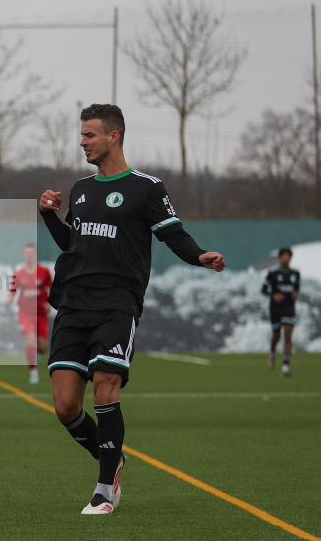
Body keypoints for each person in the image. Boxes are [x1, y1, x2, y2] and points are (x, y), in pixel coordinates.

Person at [39, 104, 226, 515]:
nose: (82, 142)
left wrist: (199, 257)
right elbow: (73, 243)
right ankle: (112, 458)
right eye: (81, 135)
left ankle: (106, 488)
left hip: (117, 303)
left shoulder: (147, 187)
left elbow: (172, 233)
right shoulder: (82, 190)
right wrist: (48, 217)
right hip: (73, 303)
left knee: (106, 383)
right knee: (66, 406)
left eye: (89, 135)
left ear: (114, 136)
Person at [6, 243, 52, 384]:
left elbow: (53, 289)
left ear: (35, 254)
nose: (29, 255)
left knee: (43, 348)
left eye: (31, 252)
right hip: (25, 313)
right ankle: (33, 372)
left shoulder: (44, 271)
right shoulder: (19, 273)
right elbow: (12, 291)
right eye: (27, 253)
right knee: (31, 339)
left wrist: (50, 303)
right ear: (23, 255)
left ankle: (36, 353)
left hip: (41, 314)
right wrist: (8, 301)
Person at [261, 247, 300, 376]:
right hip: (276, 308)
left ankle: (286, 364)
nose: (286, 258)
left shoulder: (295, 273)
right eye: (284, 256)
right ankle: (272, 353)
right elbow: (264, 289)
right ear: (280, 258)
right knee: (276, 335)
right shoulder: (273, 273)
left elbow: (296, 289)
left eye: (288, 256)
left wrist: (295, 294)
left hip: (289, 307)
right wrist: (274, 295)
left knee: (288, 333)